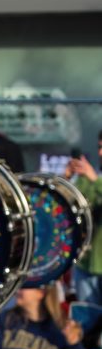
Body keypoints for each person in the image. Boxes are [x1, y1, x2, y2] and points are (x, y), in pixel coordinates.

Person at [65, 131, 102, 306]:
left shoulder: (93, 178)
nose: (100, 153)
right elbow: (67, 205)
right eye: (100, 147)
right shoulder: (88, 178)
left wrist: (95, 180)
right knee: (86, 323)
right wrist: (66, 177)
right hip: (86, 265)